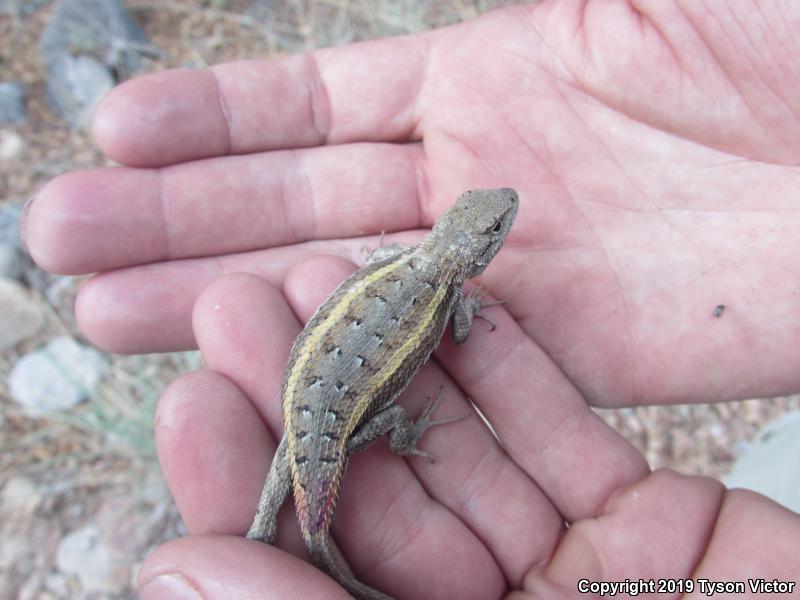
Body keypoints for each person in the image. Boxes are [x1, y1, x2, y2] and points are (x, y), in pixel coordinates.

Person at [22, 1, 800, 597]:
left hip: (317, 387)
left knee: (287, 486)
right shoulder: (454, 300)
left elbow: (376, 283)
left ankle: (297, 549)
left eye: (494, 219)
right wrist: (403, 421)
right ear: (475, 247)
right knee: (313, 481)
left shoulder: (411, 265)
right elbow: (458, 334)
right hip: (350, 406)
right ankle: (314, 550)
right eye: (493, 223)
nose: (502, 215)